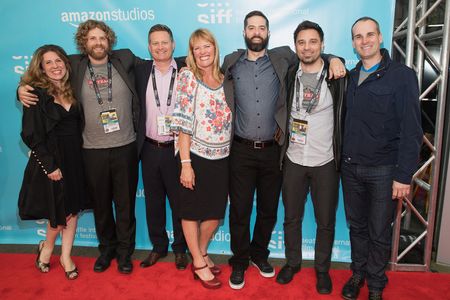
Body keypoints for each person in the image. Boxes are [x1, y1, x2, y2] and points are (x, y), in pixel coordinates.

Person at [222, 10, 347, 290]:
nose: (256, 32)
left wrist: (334, 58)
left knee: (269, 210)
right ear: (244, 32)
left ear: (268, 32)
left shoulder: (283, 59)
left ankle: (260, 254)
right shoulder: (231, 62)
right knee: (240, 210)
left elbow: (314, 55)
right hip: (241, 149)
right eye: (251, 27)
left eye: (261, 27)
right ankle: (240, 261)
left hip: (274, 150)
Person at [18, 20, 141, 275]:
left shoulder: (125, 59)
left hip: (125, 145)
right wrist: (20, 89)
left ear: (110, 41)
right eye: (92, 38)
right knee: (101, 205)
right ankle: (107, 250)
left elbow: (158, 64)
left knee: (126, 204)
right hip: (90, 149)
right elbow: (41, 79)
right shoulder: (72, 64)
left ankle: (124, 252)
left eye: (102, 38)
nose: (98, 43)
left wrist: (198, 60)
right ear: (84, 43)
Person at [340, 17, 422, 300]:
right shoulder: (350, 77)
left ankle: (375, 285)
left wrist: (403, 175)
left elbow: (412, 129)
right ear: (353, 43)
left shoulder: (402, 76)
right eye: (358, 36)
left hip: (384, 171)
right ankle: (358, 274)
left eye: (369, 34)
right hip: (350, 168)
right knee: (357, 228)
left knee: (378, 231)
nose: (364, 41)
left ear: (380, 37)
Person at [275, 21, 346, 295]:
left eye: (313, 41)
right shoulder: (289, 72)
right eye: (302, 42)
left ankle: (322, 270)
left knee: (325, 221)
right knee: (291, 218)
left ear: (323, 44)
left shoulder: (337, 77)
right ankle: (292, 263)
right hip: (293, 159)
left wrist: (333, 59)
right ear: (296, 47)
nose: (307, 47)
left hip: (325, 162)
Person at [18, 44, 87, 280]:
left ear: (66, 64)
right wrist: (49, 166)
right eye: (49, 62)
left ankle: (66, 255)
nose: (55, 66)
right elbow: (30, 135)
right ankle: (47, 248)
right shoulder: (35, 94)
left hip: (76, 159)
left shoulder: (72, 89)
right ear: (41, 68)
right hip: (53, 161)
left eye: (59, 61)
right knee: (59, 213)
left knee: (72, 211)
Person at [171, 28, 232, 289]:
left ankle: (202, 252)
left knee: (215, 214)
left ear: (215, 49)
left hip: (222, 157)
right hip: (193, 155)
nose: (203, 51)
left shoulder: (224, 78)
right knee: (191, 211)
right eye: (197, 48)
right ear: (192, 53)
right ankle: (197, 262)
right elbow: (184, 123)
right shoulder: (187, 77)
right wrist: (186, 164)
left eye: (207, 46)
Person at [135, 24, 188, 270]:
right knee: (153, 201)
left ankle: (180, 249)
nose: (160, 47)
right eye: (155, 43)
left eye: (164, 42)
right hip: (149, 148)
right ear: (149, 47)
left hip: (178, 149)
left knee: (180, 201)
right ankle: (158, 247)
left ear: (173, 44)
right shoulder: (140, 69)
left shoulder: (188, 67)